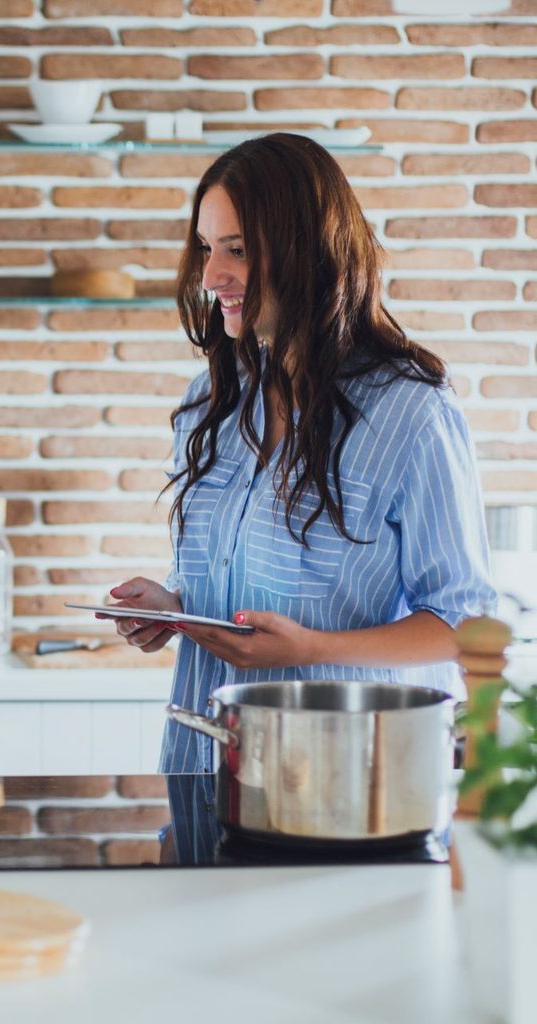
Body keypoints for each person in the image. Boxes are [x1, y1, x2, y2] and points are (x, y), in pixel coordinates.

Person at [106, 132, 496, 773]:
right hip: (209, 761)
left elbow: (464, 624)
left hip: (350, 781)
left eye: (237, 250)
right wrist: (176, 610)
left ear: (305, 252)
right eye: (206, 249)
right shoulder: (210, 403)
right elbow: (239, 584)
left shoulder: (411, 413)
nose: (211, 276)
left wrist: (311, 647)